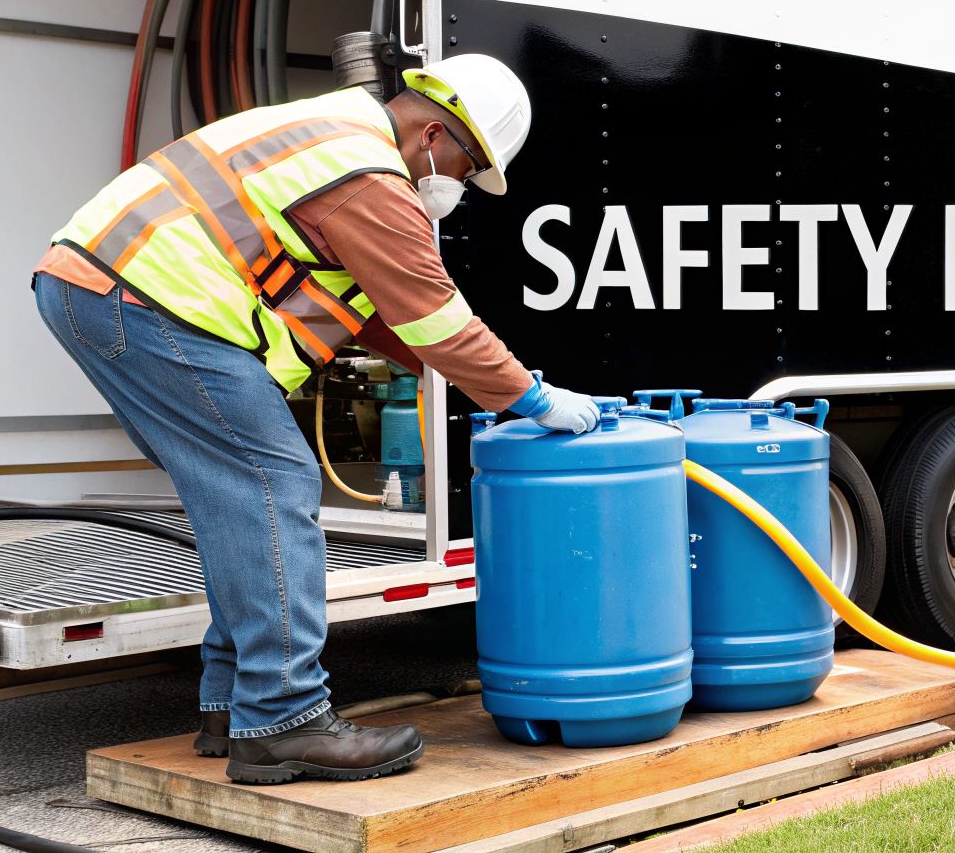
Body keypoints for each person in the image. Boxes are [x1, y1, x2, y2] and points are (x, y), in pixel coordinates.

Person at [31, 54, 599, 784]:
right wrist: (533, 399)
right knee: (273, 483)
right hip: (150, 300)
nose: (458, 185)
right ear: (434, 134)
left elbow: (390, 319)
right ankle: (284, 718)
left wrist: (485, 375)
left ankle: (233, 705)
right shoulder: (371, 177)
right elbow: (435, 318)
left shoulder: (339, 135)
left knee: (234, 500)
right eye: (466, 167)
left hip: (100, 287)